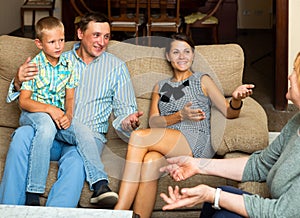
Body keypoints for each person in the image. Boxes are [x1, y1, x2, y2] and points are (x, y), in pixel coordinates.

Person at [0, 12, 142, 208]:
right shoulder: (58, 59)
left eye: (107, 36)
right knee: (22, 135)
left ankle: (55, 213)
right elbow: (26, 95)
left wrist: (129, 121)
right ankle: (9, 209)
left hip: (87, 138)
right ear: (80, 33)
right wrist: (17, 81)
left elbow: (125, 111)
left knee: (75, 163)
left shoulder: (116, 67)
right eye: (96, 35)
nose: (102, 42)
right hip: (53, 133)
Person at [114, 33, 254, 217]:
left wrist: (236, 99)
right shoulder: (162, 86)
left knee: (138, 137)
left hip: (194, 140)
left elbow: (229, 112)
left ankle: (119, 212)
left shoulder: (202, 80)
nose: (182, 56)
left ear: (193, 55)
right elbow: (154, 121)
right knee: (149, 162)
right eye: (176, 52)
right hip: (168, 140)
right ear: (168, 56)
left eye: (187, 51)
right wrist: (180, 115)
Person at [159, 52, 300, 218]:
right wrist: (198, 165)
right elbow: (259, 165)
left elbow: (281, 213)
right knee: (219, 199)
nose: (290, 77)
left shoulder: (201, 82)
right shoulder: (296, 122)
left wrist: (212, 195)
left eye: (295, 72)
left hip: (280, 213)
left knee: (222, 211)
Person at [18, 16, 112, 206]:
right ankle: (33, 193)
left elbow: (70, 97)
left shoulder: (69, 65)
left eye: (61, 40)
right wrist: (51, 110)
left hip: (59, 114)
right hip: (37, 113)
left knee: (83, 131)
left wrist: (68, 115)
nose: (58, 45)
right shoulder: (34, 67)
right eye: (52, 42)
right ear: (39, 43)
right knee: (45, 128)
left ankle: (100, 183)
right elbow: (24, 102)